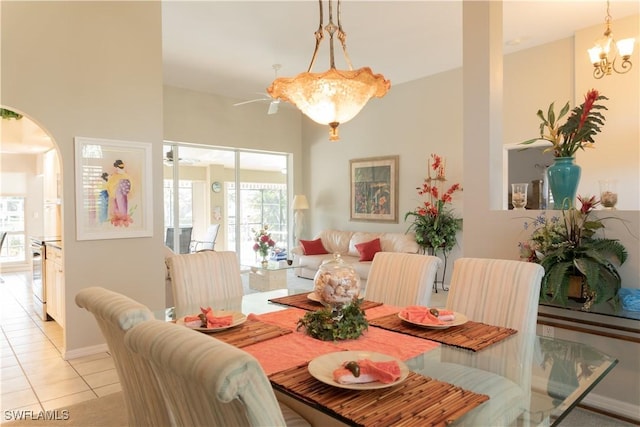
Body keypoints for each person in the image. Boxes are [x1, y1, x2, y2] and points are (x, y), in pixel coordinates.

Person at [106, 160, 133, 227]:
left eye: (117, 168)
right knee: (118, 205)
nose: (116, 169)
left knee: (121, 204)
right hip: (118, 192)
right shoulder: (121, 175)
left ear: (117, 167)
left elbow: (112, 183)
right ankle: (119, 218)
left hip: (120, 192)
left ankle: (122, 219)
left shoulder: (121, 175)